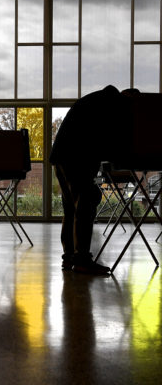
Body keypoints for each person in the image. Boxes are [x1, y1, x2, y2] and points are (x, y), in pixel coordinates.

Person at [50, 85, 133, 275]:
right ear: (129, 98)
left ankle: (70, 257)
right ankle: (82, 260)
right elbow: (113, 138)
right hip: (77, 156)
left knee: (71, 206)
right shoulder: (116, 104)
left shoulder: (98, 99)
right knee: (86, 202)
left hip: (61, 155)